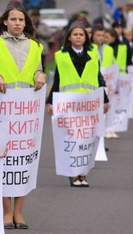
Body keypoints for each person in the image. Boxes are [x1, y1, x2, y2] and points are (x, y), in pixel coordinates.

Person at [0, 0, 46, 230]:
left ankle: (19, 211)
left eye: (21, 20)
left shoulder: (35, 46)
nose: (18, 23)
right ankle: (6, 211)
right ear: (5, 22)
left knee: (25, 160)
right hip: (3, 111)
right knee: (5, 159)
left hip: (26, 115)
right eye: (13, 19)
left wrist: (41, 75)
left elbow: (38, 70)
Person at [46, 21, 110, 187]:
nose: (78, 37)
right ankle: (74, 173)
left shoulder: (93, 53)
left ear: (86, 37)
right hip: (69, 105)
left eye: (81, 34)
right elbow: (58, 80)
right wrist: (50, 102)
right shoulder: (61, 55)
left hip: (89, 105)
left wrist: (104, 99)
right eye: (75, 34)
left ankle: (83, 173)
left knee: (87, 139)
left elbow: (97, 77)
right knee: (73, 139)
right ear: (69, 37)